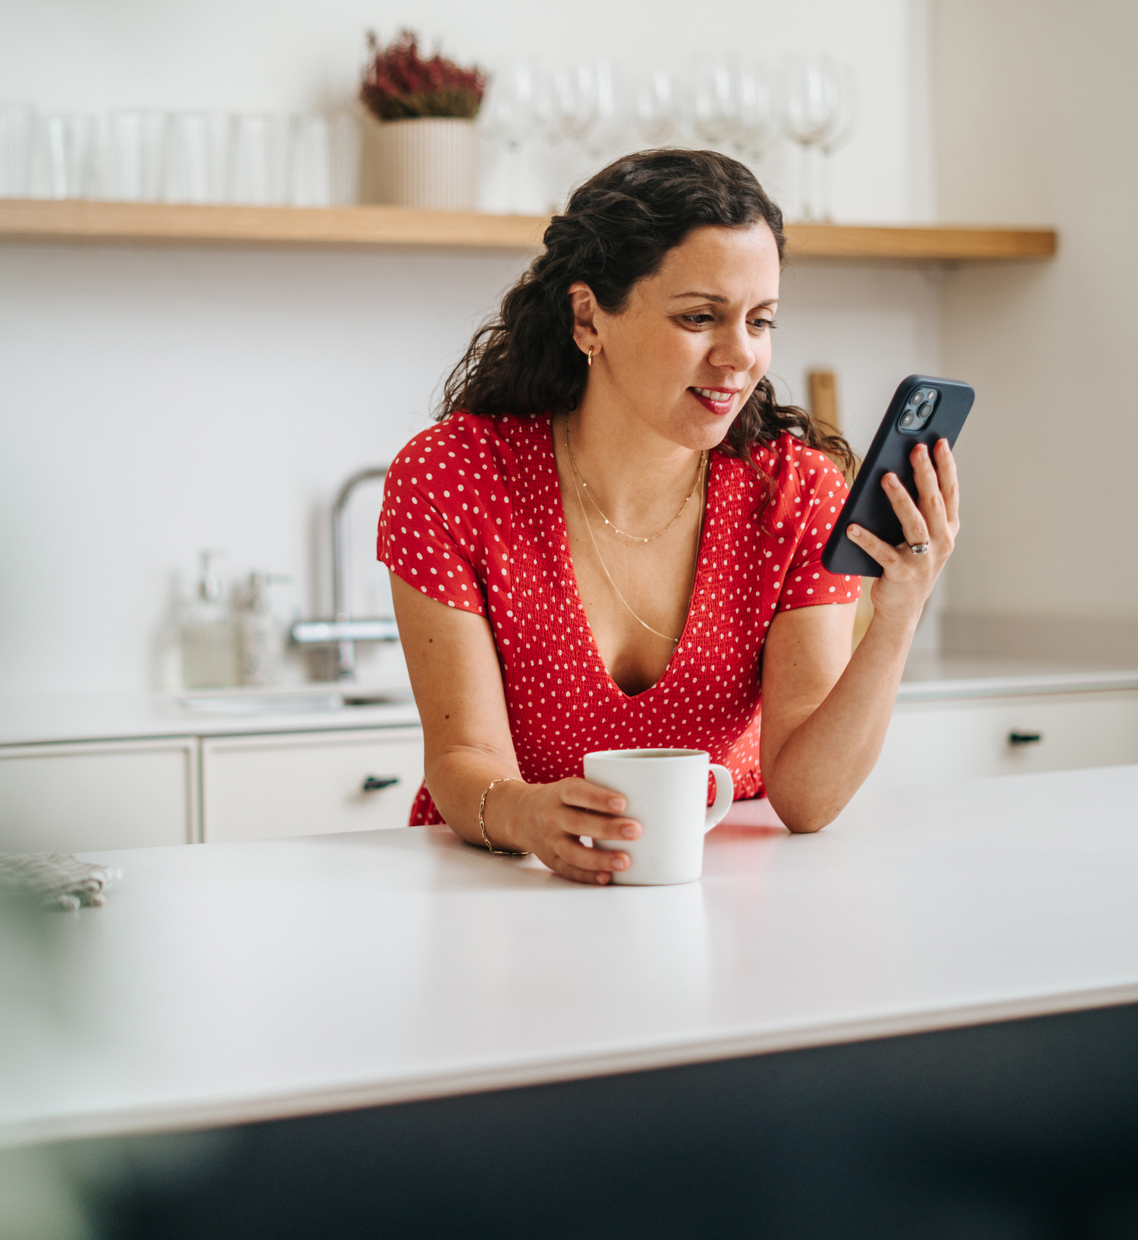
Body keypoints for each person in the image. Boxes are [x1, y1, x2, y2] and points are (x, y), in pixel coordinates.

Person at [377, 149, 959, 884]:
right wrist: (531, 817)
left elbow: (807, 798)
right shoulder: (454, 476)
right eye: (699, 317)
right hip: (501, 880)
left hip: (715, 890)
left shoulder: (795, 491)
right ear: (590, 317)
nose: (740, 355)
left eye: (760, 319)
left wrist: (900, 609)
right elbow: (465, 760)